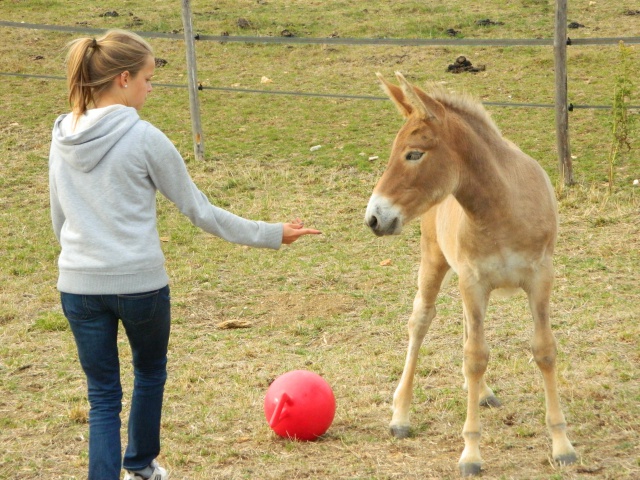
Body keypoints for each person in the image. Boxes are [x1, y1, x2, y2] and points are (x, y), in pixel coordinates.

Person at [48, 29, 321, 480]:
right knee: (149, 372)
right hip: (140, 287)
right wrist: (273, 234)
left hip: (77, 287)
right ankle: (139, 466)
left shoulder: (61, 135)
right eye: (148, 79)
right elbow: (200, 211)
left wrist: (83, 260)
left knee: (102, 395)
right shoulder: (145, 138)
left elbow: (59, 219)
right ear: (122, 79)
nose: (151, 88)